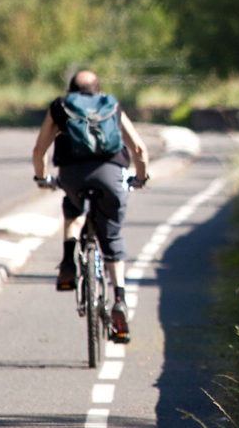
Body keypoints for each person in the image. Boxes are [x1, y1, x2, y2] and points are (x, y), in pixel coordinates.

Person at [32, 70, 150, 343]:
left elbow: (39, 151)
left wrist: (42, 177)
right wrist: (141, 177)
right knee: (112, 236)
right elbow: (140, 150)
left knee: (73, 208)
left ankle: (68, 262)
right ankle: (119, 298)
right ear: (98, 89)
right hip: (111, 175)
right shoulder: (111, 104)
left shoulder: (60, 106)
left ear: (70, 89)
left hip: (72, 175)